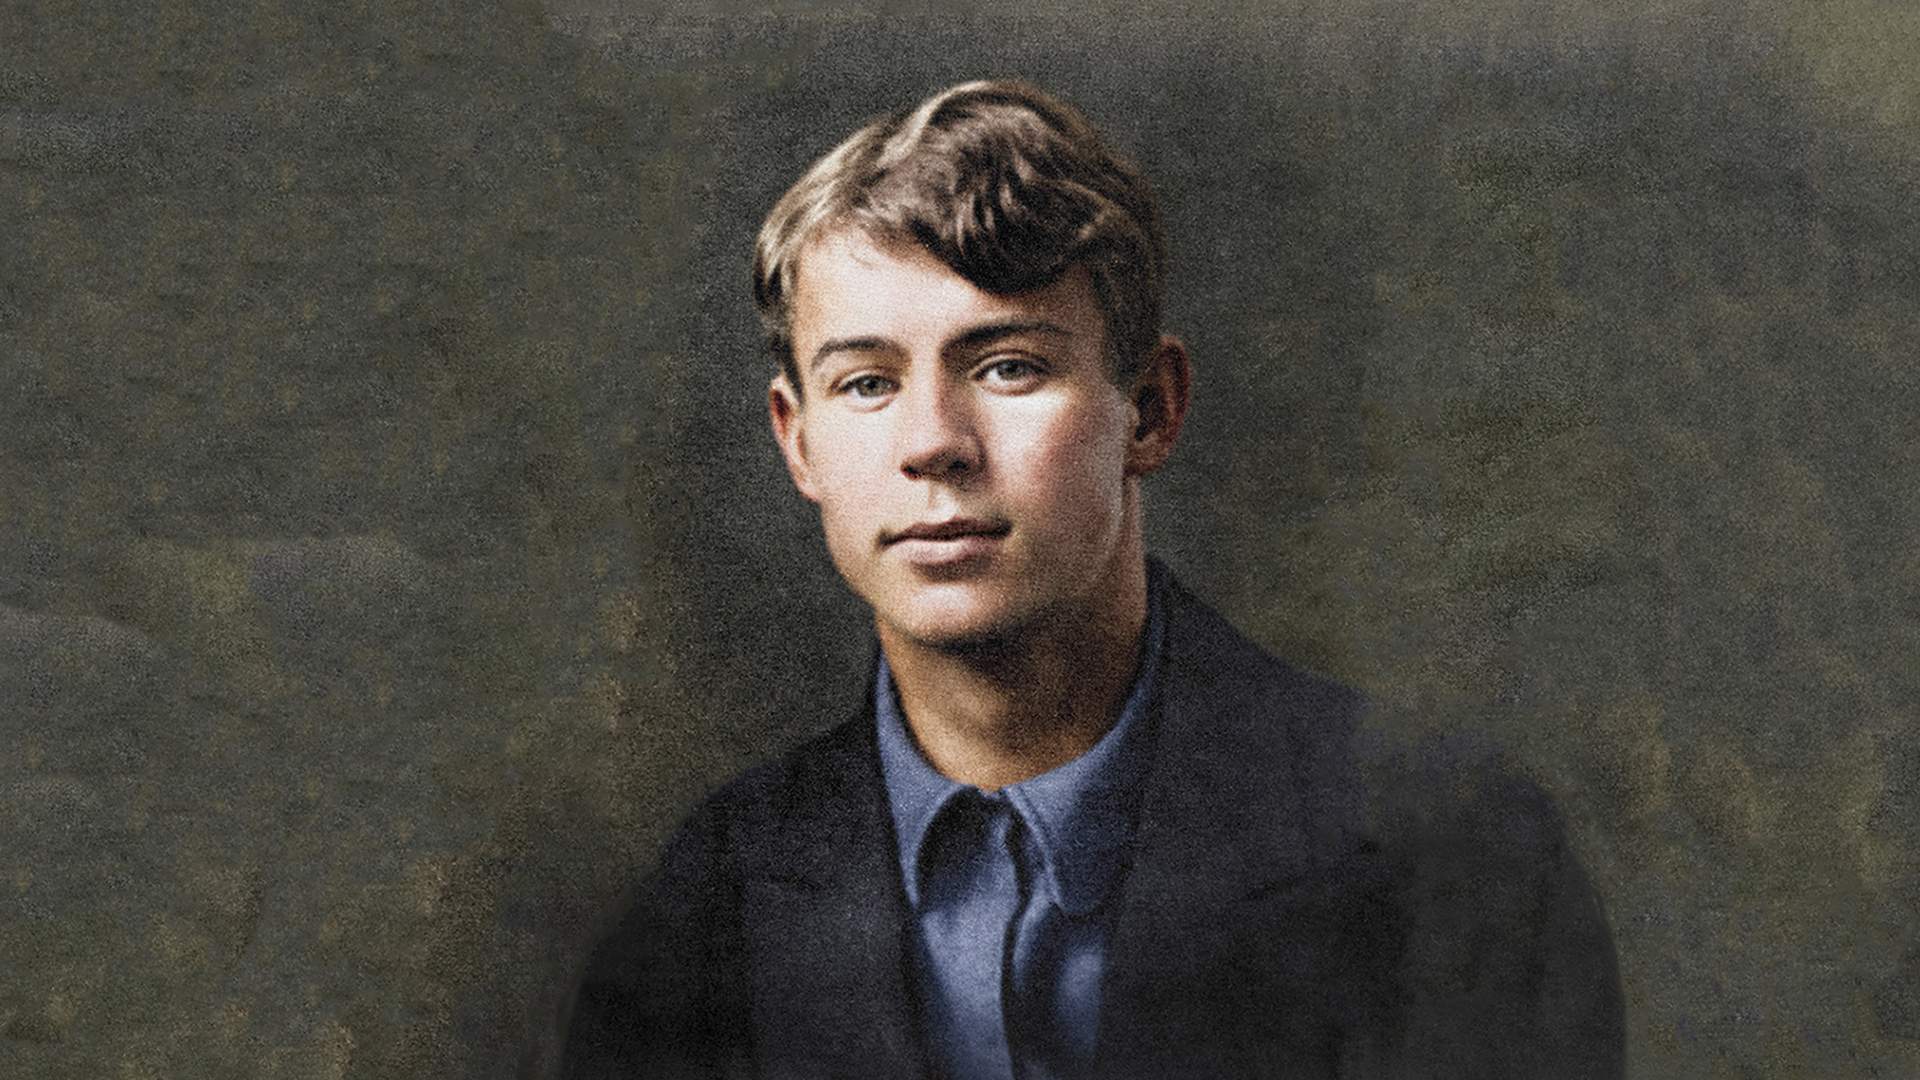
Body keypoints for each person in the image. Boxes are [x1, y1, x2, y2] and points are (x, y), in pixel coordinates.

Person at [558, 79, 1624, 1080]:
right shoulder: (702, 909)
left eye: (1007, 367)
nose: (933, 444)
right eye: (867, 383)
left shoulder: (1449, 852)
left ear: (1150, 409)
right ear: (798, 443)